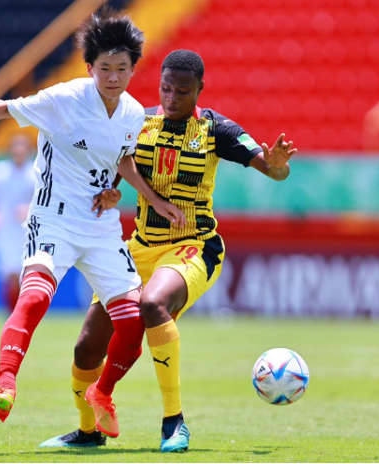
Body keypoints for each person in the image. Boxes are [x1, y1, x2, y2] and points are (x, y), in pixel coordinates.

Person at [0, 8, 185, 437]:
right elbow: (11, 107)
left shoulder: (131, 113)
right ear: (90, 67)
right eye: (105, 68)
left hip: (101, 225)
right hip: (52, 219)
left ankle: (103, 393)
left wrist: (140, 195)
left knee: (133, 322)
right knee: (34, 298)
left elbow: (122, 160)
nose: (113, 77)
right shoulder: (64, 98)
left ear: (132, 69)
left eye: (122, 69)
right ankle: (6, 382)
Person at [40, 49, 298, 452]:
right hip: (138, 247)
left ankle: (173, 422)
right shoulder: (137, 122)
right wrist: (110, 194)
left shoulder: (216, 129)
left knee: (153, 303)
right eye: (165, 88)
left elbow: (272, 168)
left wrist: (279, 164)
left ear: (200, 90)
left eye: (182, 90)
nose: (172, 97)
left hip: (193, 246)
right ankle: (88, 432)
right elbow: (113, 171)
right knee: (86, 346)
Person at [0, 134, 36, 312]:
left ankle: (21, 313)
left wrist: (29, 210)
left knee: (24, 275)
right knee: (10, 273)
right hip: (4, 231)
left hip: (27, 232)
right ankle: (13, 312)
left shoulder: (35, 173)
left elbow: (45, 202)